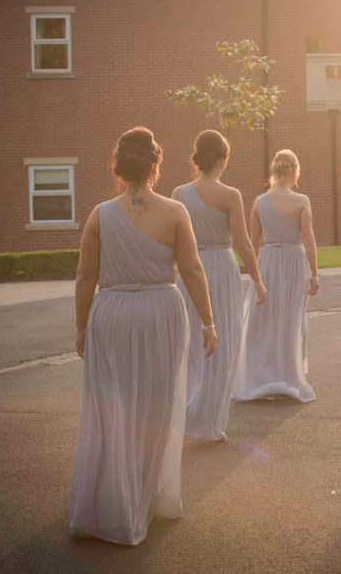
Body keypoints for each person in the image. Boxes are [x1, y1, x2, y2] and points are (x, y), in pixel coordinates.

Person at [69, 126, 217, 545]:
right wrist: (208, 321)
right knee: (155, 406)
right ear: (156, 164)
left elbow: (85, 276)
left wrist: (80, 327)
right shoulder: (174, 212)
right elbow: (191, 270)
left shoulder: (100, 214)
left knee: (111, 408)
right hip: (160, 314)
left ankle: (110, 502)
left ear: (118, 166)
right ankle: (144, 497)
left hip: (111, 313)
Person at [173, 130, 266, 441]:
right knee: (223, 342)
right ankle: (208, 420)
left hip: (190, 270)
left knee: (190, 341)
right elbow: (242, 242)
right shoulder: (231, 195)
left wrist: (172, 277)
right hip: (222, 270)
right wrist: (257, 279)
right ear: (223, 159)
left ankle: (187, 408)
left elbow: (173, 243)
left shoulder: (179, 194)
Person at [234, 149, 319, 402]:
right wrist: (315, 274)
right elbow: (309, 237)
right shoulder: (301, 200)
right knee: (292, 318)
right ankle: (289, 376)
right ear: (295, 172)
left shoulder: (259, 202)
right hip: (295, 261)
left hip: (268, 261)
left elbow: (253, 243)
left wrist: (256, 276)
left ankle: (262, 376)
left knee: (265, 320)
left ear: (274, 172)